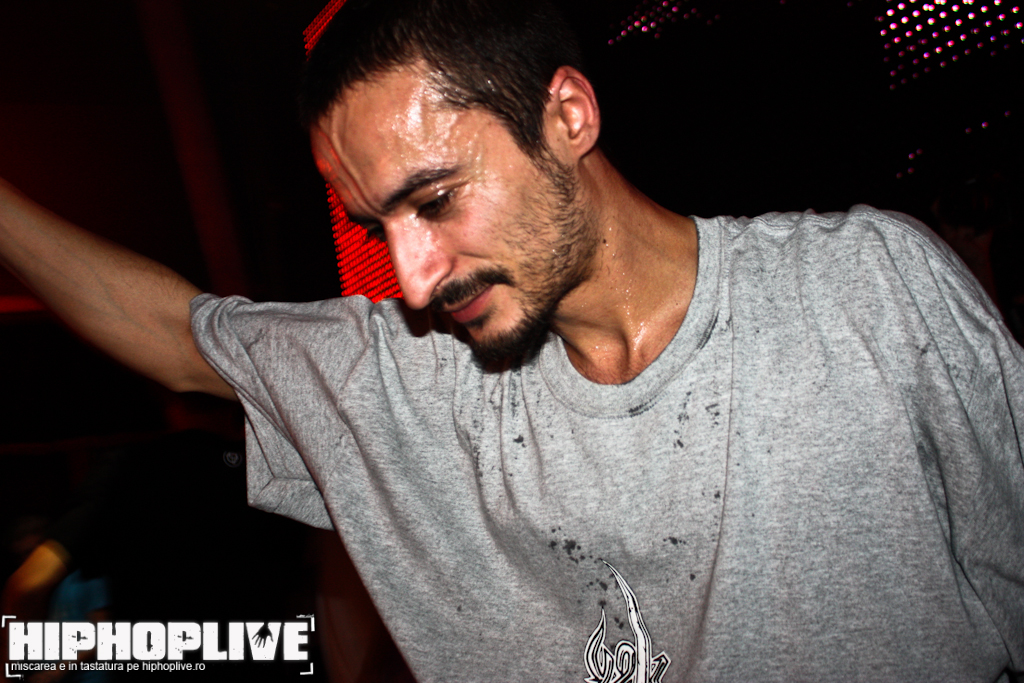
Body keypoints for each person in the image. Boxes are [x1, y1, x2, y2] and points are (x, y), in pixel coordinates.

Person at [1, 0, 1021, 680]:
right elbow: (177, 335)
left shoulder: (863, 291)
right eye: (377, 227)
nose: (412, 278)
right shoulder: (412, 374)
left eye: (436, 198)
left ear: (567, 115)